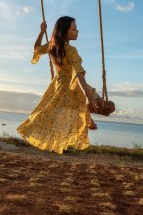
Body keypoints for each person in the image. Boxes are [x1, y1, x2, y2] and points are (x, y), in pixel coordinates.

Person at [17, 16, 99, 154]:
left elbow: (36, 49)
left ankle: (87, 119)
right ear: (64, 31)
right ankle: (87, 119)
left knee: (52, 111)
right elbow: (79, 73)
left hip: (59, 84)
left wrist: (42, 32)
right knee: (93, 104)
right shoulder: (71, 50)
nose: (77, 31)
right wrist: (88, 95)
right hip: (72, 85)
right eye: (74, 29)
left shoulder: (51, 45)